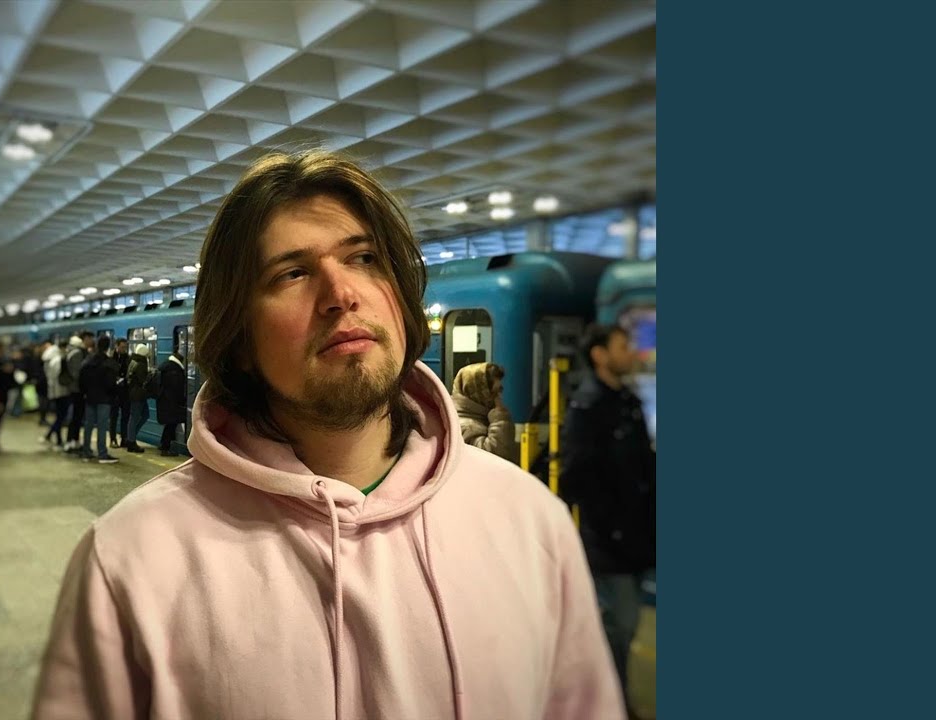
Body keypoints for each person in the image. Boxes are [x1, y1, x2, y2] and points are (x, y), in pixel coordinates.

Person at [32, 149, 622, 719]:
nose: (342, 294)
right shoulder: (129, 561)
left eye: (364, 258)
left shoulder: (530, 522)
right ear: (237, 339)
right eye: (292, 273)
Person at [559, 324, 657, 702]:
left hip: (636, 537)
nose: (631, 352)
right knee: (620, 624)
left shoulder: (627, 402)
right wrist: (609, 526)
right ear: (599, 355)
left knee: (624, 626)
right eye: (622, 346)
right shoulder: (588, 407)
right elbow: (575, 478)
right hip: (608, 543)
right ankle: (607, 702)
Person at [451, 362, 515, 462]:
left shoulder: (479, 418)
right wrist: (500, 419)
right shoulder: (464, 426)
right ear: (479, 393)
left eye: (500, 391)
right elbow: (493, 460)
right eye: (494, 393)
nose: (499, 398)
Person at [78, 335, 119, 464]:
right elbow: (111, 384)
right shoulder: (108, 363)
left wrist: (85, 392)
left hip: (90, 397)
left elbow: (81, 379)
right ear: (108, 347)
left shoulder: (88, 361)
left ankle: (86, 452)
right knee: (102, 426)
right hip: (104, 399)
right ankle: (102, 454)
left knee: (88, 425)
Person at [154, 348, 187, 456]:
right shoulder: (175, 370)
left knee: (170, 424)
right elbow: (177, 388)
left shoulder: (165, 366)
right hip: (171, 402)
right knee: (171, 424)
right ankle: (165, 448)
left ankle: (164, 444)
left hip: (164, 401)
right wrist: (182, 401)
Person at [61, 333, 90, 453]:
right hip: (77, 389)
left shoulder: (71, 352)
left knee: (75, 416)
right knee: (76, 416)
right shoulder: (77, 353)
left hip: (73, 389)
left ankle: (73, 440)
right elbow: (77, 373)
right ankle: (72, 441)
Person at [40, 340, 69, 450]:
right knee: (61, 417)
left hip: (54, 391)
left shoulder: (50, 359)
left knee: (59, 416)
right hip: (61, 392)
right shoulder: (58, 360)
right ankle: (58, 441)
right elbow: (60, 377)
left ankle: (49, 436)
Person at [123, 343, 151, 454]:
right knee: (135, 417)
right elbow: (142, 380)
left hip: (134, 393)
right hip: (138, 394)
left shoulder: (133, 361)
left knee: (143, 415)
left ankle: (131, 437)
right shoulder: (141, 363)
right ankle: (131, 441)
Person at [108, 338, 131, 449]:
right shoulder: (111, 359)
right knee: (113, 417)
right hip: (114, 392)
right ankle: (113, 439)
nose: (124, 349)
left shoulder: (127, 358)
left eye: (125, 347)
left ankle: (124, 439)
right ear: (116, 346)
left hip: (125, 392)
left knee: (125, 417)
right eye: (122, 347)